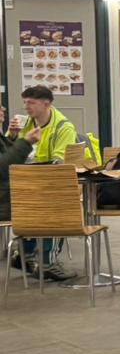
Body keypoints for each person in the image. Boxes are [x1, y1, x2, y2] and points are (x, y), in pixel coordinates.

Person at [12, 85, 78, 281]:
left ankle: (28, 255)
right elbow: (13, 152)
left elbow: (59, 163)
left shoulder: (63, 127)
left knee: (54, 202)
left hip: (46, 180)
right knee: (60, 208)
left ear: (46, 104)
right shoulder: (27, 123)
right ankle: (43, 262)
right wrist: (13, 136)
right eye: (25, 102)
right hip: (26, 182)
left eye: (31, 102)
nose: (26, 107)